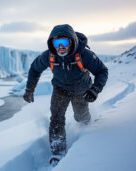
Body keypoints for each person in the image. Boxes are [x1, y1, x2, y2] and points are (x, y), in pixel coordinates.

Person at [23, 24, 108, 166]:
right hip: (60, 90)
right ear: (52, 43)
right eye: (57, 42)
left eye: (65, 42)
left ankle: (87, 133)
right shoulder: (49, 55)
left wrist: (95, 89)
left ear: (72, 42)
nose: (61, 46)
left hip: (82, 90)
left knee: (80, 117)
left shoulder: (85, 55)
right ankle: (58, 152)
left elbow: (102, 71)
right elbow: (34, 69)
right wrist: (29, 89)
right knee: (56, 117)